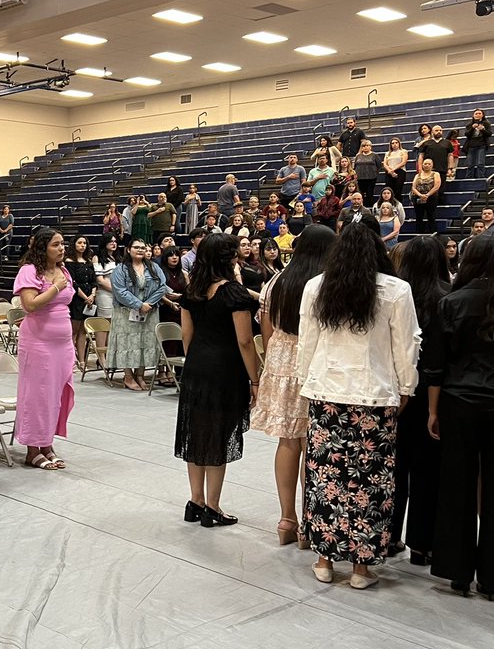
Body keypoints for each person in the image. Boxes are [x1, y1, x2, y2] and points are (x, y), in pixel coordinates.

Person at [297, 220, 421, 589]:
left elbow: (307, 342)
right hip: (375, 397)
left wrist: (307, 382)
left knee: (324, 480)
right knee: (368, 485)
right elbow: (408, 344)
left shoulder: (316, 288)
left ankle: (323, 558)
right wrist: (407, 387)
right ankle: (361, 568)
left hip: (327, 395)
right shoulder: (397, 290)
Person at [426, 236, 494, 598]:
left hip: (459, 401)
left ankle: (457, 571)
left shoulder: (451, 302)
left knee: (456, 486)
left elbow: (436, 364)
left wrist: (433, 411)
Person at [250, 225, 335, 547]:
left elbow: (267, 331)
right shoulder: (325, 284)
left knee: (288, 442)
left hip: (281, 361)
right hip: (316, 361)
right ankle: (308, 524)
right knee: (314, 445)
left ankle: (287, 519)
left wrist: (274, 364)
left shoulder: (276, 281)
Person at [175, 234, 260, 528]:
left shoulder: (192, 291)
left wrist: (196, 361)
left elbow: (187, 335)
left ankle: (194, 501)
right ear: (229, 259)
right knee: (218, 437)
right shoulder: (234, 293)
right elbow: (245, 342)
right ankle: (213, 507)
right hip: (225, 370)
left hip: (196, 366)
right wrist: (256, 379)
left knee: (196, 434)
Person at [390, 235, 449, 565]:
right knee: (428, 473)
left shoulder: (398, 294)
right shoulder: (446, 297)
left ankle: (389, 536)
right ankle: (422, 544)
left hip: (398, 390)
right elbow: (439, 358)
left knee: (395, 468)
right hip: (432, 392)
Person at [12, 228, 76, 470]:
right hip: (38, 342)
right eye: (56, 245)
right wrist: (55, 288)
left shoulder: (63, 270)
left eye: (62, 244)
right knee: (38, 394)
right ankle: (32, 449)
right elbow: (29, 305)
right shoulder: (29, 271)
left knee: (57, 395)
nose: (62, 248)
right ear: (42, 248)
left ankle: (47, 444)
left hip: (63, 343)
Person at [108, 239, 167, 391]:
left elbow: (162, 286)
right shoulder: (120, 269)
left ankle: (140, 375)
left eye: (143, 248)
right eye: (136, 247)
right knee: (127, 343)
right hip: (126, 312)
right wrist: (139, 305)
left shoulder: (154, 267)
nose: (140, 250)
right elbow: (120, 291)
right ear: (128, 249)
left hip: (150, 311)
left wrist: (149, 304)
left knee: (145, 342)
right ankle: (128, 376)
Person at [64, 235, 96, 369]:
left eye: (84, 243)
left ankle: (82, 360)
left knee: (84, 332)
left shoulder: (88, 261)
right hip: (77, 298)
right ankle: (71, 360)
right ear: (74, 245)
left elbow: (94, 280)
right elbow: (73, 283)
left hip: (90, 298)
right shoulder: (69, 261)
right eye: (80, 243)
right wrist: (85, 297)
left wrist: (93, 294)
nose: (82, 245)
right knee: (74, 331)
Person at [92, 234, 119, 362]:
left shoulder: (118, 258)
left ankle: (109, 353)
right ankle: (101, 356)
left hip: (118, 295)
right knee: (104, 324)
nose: (114, 243)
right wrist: (117, 291)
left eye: (115, 241)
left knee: (113, 324)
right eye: (111, 241)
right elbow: (100, 280)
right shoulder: (97, 258)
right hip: (104, 294)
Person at [418, 125, 454, 200]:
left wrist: (450, 168)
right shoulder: (426, 143)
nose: (439, 132)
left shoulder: (447, 143)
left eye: (440, 130)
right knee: (428, 190)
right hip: (428, 171)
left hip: (442, 169)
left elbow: (450, 155)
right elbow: (421, 156)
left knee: (440, 190)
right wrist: (420, 168)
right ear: (432, 132)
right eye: (436, 130)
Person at [410, 157, 442, 234]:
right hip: (418, 197)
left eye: (429, 164)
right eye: (425, 163)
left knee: (431, 216)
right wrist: (420, 195)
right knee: (419, 217)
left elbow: (437, 186)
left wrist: (427, 195)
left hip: (431, 197)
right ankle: (419, 234)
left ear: (432, 165)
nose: (427, 165)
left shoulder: (435, 174)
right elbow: (413, 187)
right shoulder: (418, 175)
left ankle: (433, 233)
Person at [463, 108, 492, 178]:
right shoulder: (469, 124)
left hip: (481, 145)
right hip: (471, 145)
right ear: (473, 115)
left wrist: (483, 130)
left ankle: (481, 179)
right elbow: (466, 134)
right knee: (470, 164)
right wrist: (472, 128)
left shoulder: (486, 123)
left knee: (480, 163)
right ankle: (469, 180)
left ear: (482, 115)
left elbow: (489, 134)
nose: (478, 115)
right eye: (476, 113)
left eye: (479, 113)